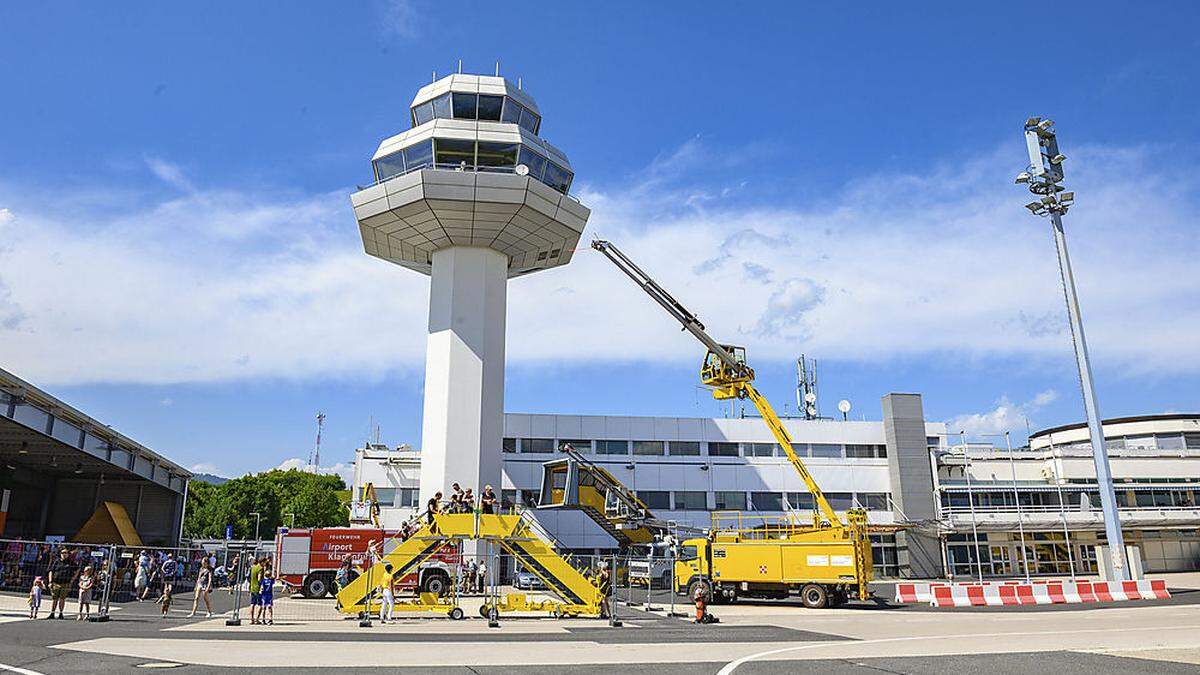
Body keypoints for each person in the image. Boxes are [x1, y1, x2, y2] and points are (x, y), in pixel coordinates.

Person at [46, 548, 76, 620]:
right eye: (62, 553)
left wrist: (72, 580)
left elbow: (77, 569)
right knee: (54, 599)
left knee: (62, 599)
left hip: (65, 583)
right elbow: (51, 571)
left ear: (68, 554)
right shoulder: (57, 561)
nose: (64, 554)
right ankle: (52, 613)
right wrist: (50, 581)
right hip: (56, 583)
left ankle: (61, 613)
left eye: (66, 553)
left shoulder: (71, 562)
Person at [248, 556, 264, 625]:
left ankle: (251, 619)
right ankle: (257, 619)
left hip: (252, 587)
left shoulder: (253, 567)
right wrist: (262, 585)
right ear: (262, 562)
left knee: (252, 604)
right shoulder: (260, 568)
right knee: (260, 604)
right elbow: (259, 578)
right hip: (258, 588)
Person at [258, 561, 275, 626]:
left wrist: (261, 592)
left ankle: (264, 619)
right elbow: (273, 577)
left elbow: (261, 588)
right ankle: (269, 619)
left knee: (264, 607)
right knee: (269, 607)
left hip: (264, 595)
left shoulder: (264, 581)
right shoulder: (270, 580)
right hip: (268, 595)